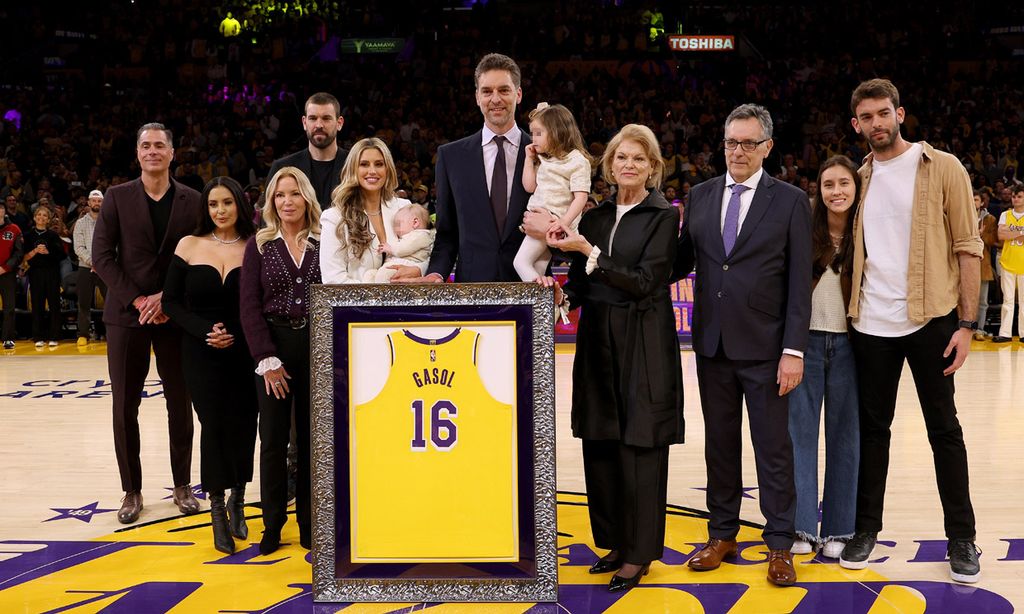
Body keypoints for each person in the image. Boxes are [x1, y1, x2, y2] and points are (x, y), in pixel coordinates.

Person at [840, 79, 983, 584]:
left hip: (931, 319)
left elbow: (969, 247)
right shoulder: (858, 176)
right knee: (872, 432)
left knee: (945, 431)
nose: (877, 123)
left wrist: (967, 324)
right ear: (856, 124)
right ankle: (865, 530)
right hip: (871, 325)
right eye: (867, 117)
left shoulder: (942, 166)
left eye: (884, 113)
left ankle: (962, 537)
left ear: (901, 114)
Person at [542, 124, 683, 594]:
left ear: (653, 167)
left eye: (639, 159)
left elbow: (646, 280)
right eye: (622, 157)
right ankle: (617, 544)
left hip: (642, 340)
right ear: (608, 164)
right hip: (598, 338)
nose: (629, 164)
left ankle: (640, 553)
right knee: (601, 441)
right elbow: (580, 287)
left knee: (640, 445)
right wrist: (559, 295)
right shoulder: (598, 216)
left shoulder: (663, 216)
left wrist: (589, 253)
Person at [675, 103, 812, 587]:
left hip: (769, 349)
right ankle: (722, 534)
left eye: (748, 143)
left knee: (774, 449)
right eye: (732, 142)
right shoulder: (702, 194)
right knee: (720, 447)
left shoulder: (793, 200)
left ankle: (779, 544)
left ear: (767, 148)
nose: (738, 151)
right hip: (712, 345)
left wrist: (794, 349)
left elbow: (800, 284)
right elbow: (678, 262)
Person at [92, 122, 203, 524]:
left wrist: (167, 299)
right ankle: (131, 490)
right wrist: (137, 298)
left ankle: (182, 485)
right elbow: (102, 256)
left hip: (176, 316)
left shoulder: (193, 199)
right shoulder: (117, 198)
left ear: (173, 153)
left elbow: (200, 255)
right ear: (137, 154)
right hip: (126, 316)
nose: (152, 151)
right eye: (146, 145)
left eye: (160, 145)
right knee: (124, 406)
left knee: (180, 403)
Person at [163, 177, 258, 554]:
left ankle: (239, 498)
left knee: (244, 424)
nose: (220, 210)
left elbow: (258, 301)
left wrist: (234, 331)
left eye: (227, 203)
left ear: (240, 206)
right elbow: (171, 302)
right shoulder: (188, 245)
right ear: (206, 208)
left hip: (245, 347)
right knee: (213, 425)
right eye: (213, 204)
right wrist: (207, 331)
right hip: (200, 350)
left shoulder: (256, 246)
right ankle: (216, 509)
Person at [393, 53, 534, 283]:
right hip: (472, 290)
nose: (495, 99)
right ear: (477, 96)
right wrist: (436, 273)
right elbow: (447, 234)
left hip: (532, 290)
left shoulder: (544, 153)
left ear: (518, 94)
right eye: (487, 91)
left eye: (504, 90)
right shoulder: (451, 157)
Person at [239, 166, 322, 555]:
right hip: (273, 346)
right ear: (271, 202)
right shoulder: (259, 244)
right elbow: (249, 306)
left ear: (306, 197)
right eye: (279, 195)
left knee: (310, 441)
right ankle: (272, 524)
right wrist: (266, 358)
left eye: (294, 193)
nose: (287, 201)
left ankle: (309, 523)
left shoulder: (325, 242)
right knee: (271, 440)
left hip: (317, 346)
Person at [787, 155, 861, 559]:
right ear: (819, 190)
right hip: (807, 344)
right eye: (829, 184)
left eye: (844, 184)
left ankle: (840, 529)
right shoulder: (803, 232)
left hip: (852, 345)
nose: (837, 191)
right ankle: (801, 526)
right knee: (799, 436)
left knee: (846, 438)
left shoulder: (867, 233)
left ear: (856, 188)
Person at [320, 138, 424, 283]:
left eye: (379, 164)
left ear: (387, 169)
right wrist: (376, 299)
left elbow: (426, 252)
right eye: (364, 164)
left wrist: (419, 269)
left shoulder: (404, 207)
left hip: (405, 301)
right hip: (357, 305)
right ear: (353, 169)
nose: (372, 171)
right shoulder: (334, 217)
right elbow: (334, 279)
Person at [514, 103, 592, 282]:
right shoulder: (544, 159)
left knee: (520, 263)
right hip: (536, 220)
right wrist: (529, 160)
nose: (533, 138)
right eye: (532, 133)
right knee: (538, 269)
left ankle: (543, 300)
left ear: (557, 131)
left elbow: (580, 198)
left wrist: (561, 223)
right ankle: (544, 307)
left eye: (539, 133)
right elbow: (529, 187)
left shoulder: (578, 161)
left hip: (554, 222)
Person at [267, 92, 348, 211]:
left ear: (339, 123)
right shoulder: (282, 167)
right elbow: (268, 218)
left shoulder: (356, 164)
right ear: (304, 123)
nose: (319, 125)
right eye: (313, 118)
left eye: (326, 118)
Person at [23, 206, 66, 347]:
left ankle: (54, 336)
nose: (41, 217)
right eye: (39, 215)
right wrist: (35, 251)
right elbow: (23, 257)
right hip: (35, 273)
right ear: (35, 217)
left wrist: (48, 252)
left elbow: (62, 255)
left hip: (52, 273)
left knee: (54, 304)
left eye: (44, 216)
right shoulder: (28, 235)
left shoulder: (53, 236)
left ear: (48, 220)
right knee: (37, 304)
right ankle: (38, 336)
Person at [366, 203, 435, 283]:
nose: (395, 229)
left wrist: (390, 248)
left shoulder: (420, 235)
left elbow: (404, 248)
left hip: (407, 264)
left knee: (385, 276)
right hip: (394, 264)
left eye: (398, 224)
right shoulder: (411, 235)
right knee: (370, 274)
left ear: (415, 222)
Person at [73, 189, 107, 345]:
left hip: (106, 267)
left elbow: (114, 245)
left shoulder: (109, 221)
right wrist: (94, 263)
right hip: (85, 267)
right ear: (88, 202)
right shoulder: (80, 223)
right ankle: (83, 334)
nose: (96, 203)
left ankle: (111, 332)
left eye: (99, 201)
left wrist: (101, 263)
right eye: (94, 200)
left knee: (111, 301)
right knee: (84, 302)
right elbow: (78, 248)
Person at [993, 184, 1024, 343]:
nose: (1015, 199)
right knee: (1008, 300)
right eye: (1014, 196)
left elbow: (1006, 233)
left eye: (1019, 196)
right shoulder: (1005, 214)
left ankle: (1023, 333)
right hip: (1007, 262)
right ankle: (1005, 333)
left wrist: (1010, 233)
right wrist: (1020, 232)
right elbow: (1001, 235)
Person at [975, 190, 998, 340]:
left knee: (982, 300)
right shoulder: (963, 215)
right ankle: (963, 328)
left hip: (983, 263)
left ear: (982, 202)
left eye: (976, 200)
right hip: (963, 262)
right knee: (962, 300)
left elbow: (993, 241)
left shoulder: (990, 219)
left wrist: (981, 234)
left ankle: (980, 329)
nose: (973, 202)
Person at [1, 209, 24, 349]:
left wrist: (6, 267)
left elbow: (19, 252)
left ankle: (8, 338)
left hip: (7, 273)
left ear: (3, 211)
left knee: (9, 307)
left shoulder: (14, 229)